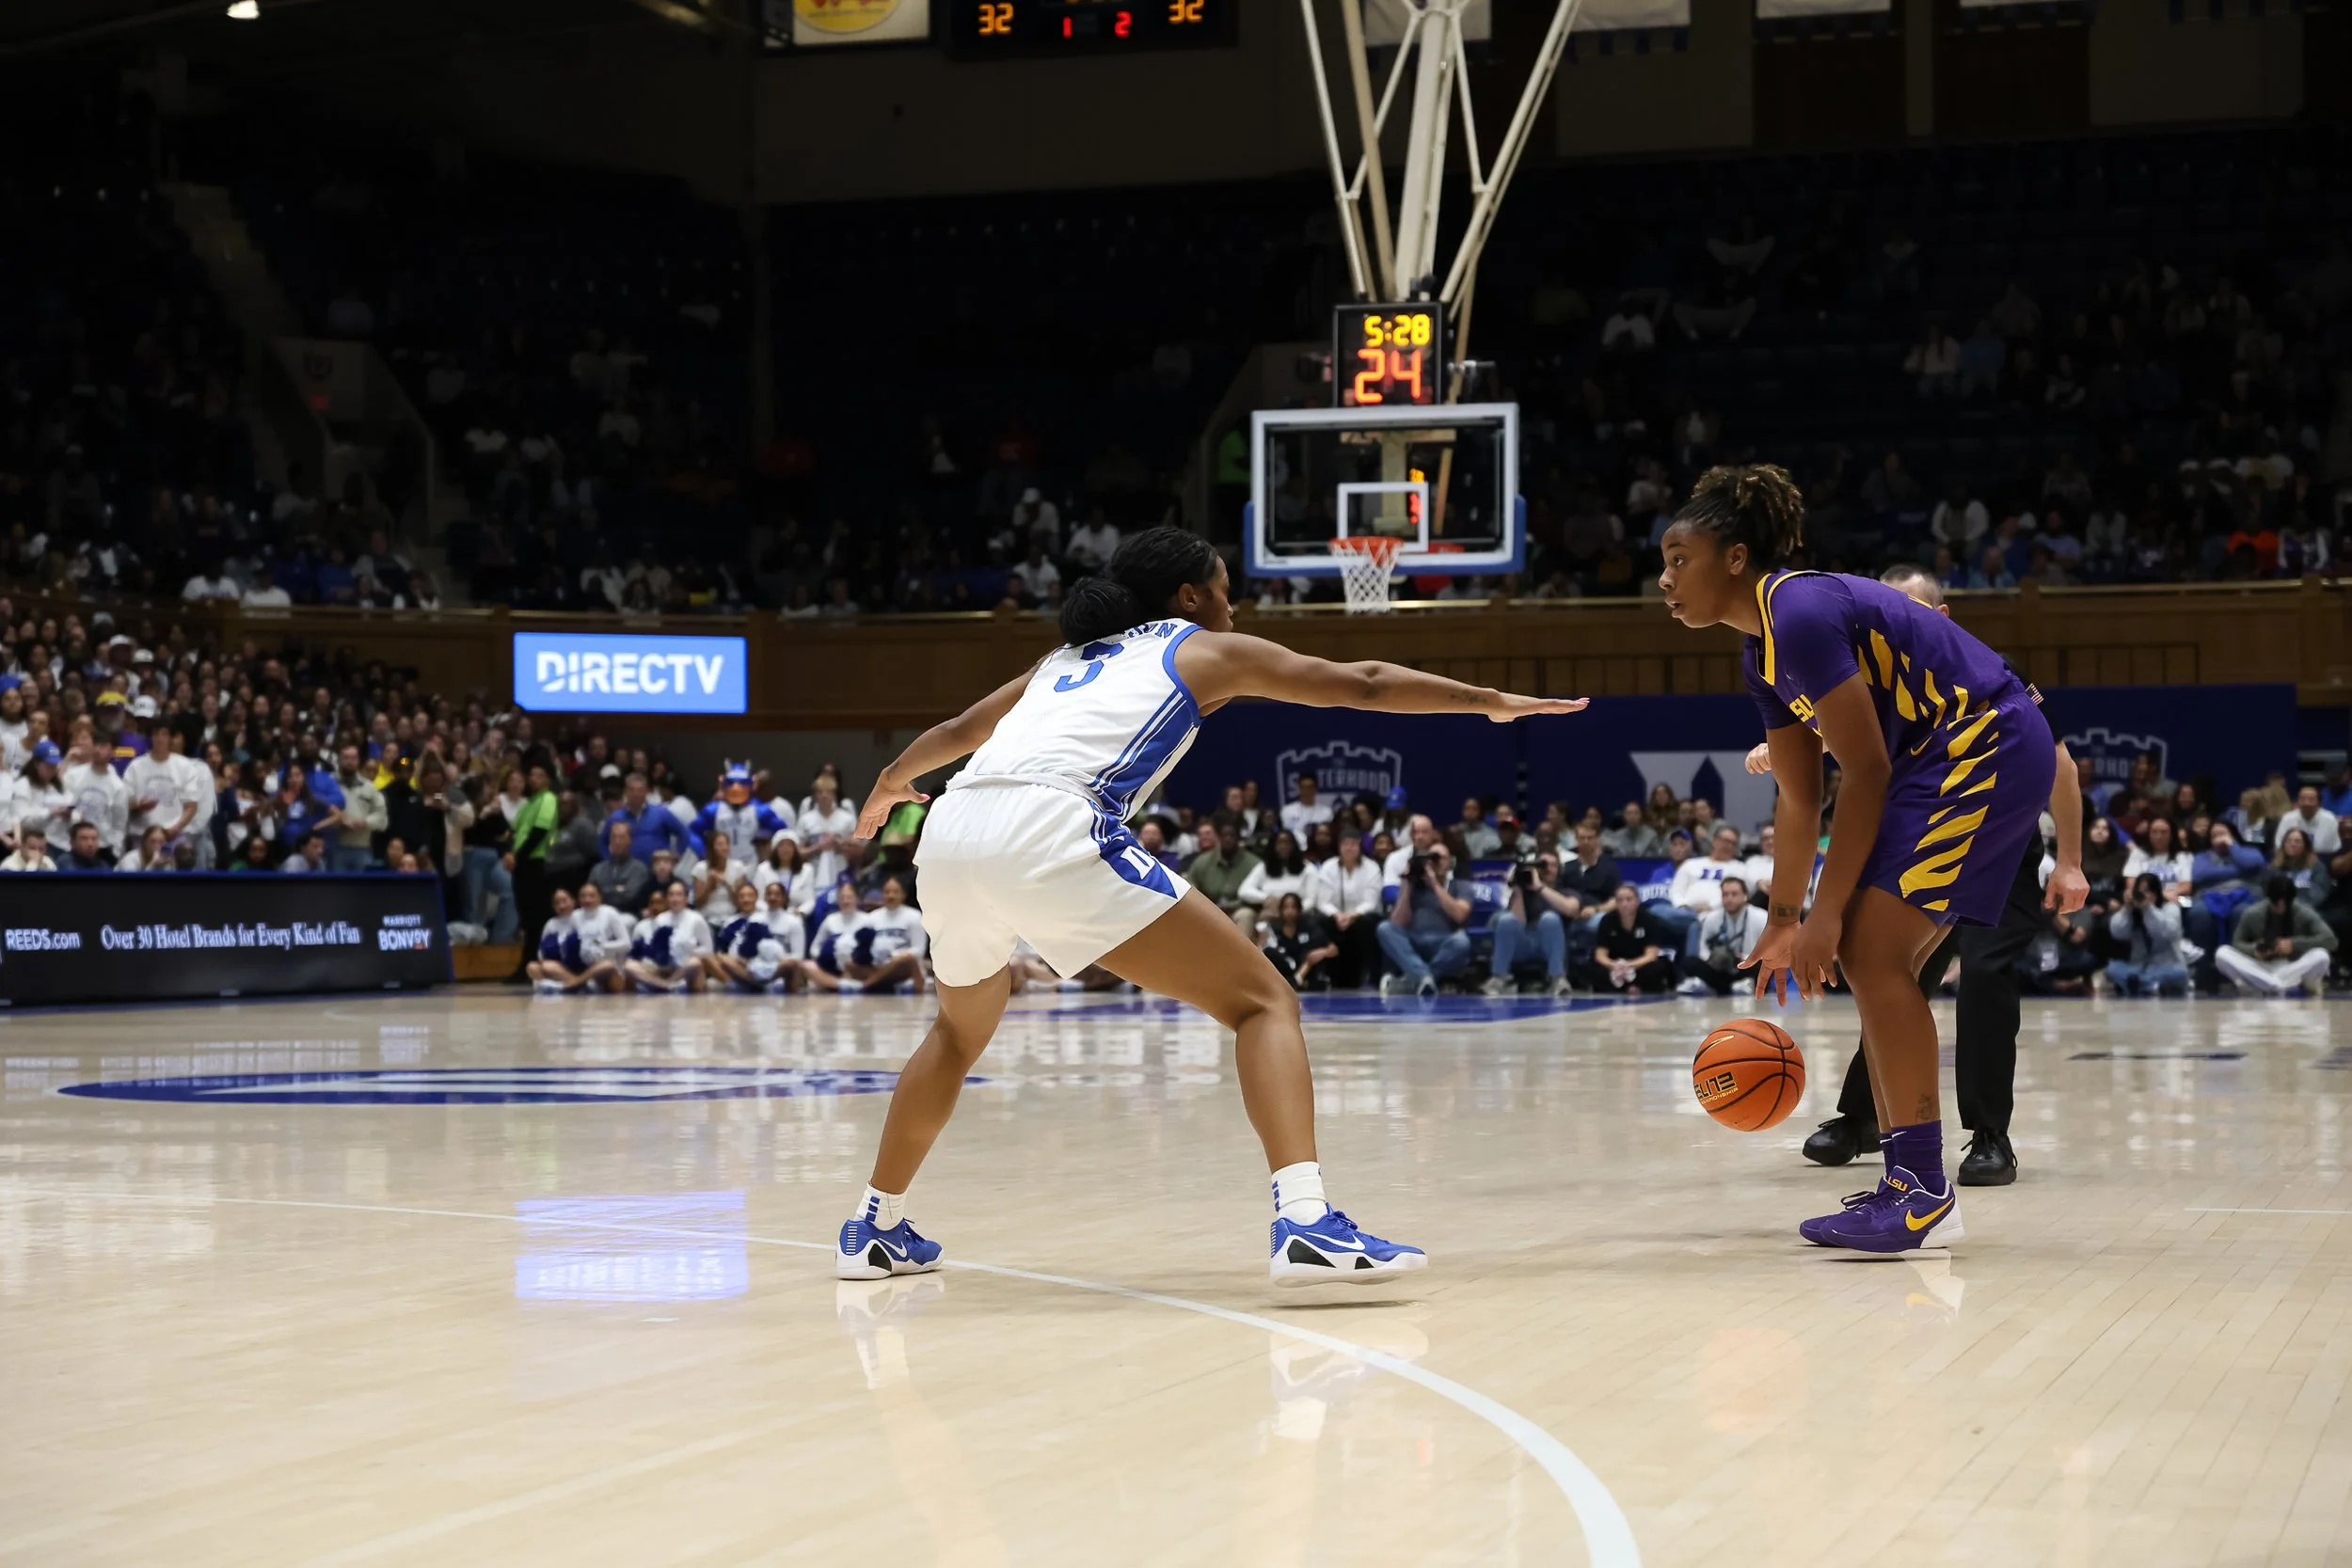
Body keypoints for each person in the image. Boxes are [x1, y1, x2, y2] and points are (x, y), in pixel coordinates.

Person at [834, 525, 1582, 1286]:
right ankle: (1305, 1219)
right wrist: (1487, 702)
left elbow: (961, 734)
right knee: (1264, 1002)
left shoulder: (1059, 660)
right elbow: (1359, 682)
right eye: (1226, 586)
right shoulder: (1198, 646)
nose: (1235, 601)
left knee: (957, 1035)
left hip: (953, 830)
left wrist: (891, 781)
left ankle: (874, 1225)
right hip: (1051, 823)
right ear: (1190, 595)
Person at [1660, 465, 2060, 1252]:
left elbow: (1866, 771)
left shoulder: (1800, 609)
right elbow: (1801, 798)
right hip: (1938, 757)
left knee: (1869, 947)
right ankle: (1909, 1182)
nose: (1665, 579)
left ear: (1734, 557)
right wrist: (1784, 920)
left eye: (1679, 558)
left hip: (1980, 741)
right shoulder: (1760, 652)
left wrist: (1827, 911)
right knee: (1868, 954)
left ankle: (1919, 1189)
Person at [1769, 562, 2085, 1187]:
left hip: (1998, 836)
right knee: (1883, 969)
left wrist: (2070, 859)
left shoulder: (1986, 673)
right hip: (1923, 835)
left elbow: (2061, 768)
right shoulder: (1865, 670)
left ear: (1937, 618)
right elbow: (1856, 740)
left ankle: (1989, 1134)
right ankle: (1867, 1120)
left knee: (1984, 974)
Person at [1376, 842, 1475, 998]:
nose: (1435, 863)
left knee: (1462, 942)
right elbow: (1398, 921)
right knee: (1385, 928)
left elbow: (1460, 915)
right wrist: (1407, 884)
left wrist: (1434, 884)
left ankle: (1413, 981)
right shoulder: (1416, 885)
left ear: (1450, 862)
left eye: (1439, 858)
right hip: (1415, 940)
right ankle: (1423, 977)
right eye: (1431, 858)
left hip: (1444, 942)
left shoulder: (1461, 886)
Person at [2217, 875, 2336, 997]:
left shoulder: (2304, 912)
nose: (2281, 908)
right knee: (2222, 953)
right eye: (2276, 903)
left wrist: (2294, 944)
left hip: (2292, 966)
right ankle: (2278, 986)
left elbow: (2330, 940)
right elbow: (2237, 943)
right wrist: (2254, 949)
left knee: (2322, 956)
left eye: (2286, 904)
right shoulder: (2252, 914)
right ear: (2268, 898)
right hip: (2259, 966)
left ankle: (2264, 986)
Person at [1486, 861, 1572, 997]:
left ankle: (1557, 979)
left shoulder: (1565, 890)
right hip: (1523, 943)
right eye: (1541, 866)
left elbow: (1571, 909)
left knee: (1549, 918)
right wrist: (1517, 889)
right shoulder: (1524, 894)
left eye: (1551, 865)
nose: (1547, 869)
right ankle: (1499, 978)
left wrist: (1540, 888)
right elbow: (1517, 922)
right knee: (1505, 920)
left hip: (1548, 945)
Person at [1678, 875, 1767, 995]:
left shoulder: (1761, 917)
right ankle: (1729, 986)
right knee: (1690, 962)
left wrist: (1742, 957)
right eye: (1725, 895)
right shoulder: (1711, 918)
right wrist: (1712, 960)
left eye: (1734, 894)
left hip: (1747, 965)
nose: (1729, 899)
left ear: (1745, 896)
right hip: (1720, 967)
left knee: (1764, 965)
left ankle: (1724, 985)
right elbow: (1703, 948)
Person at [2106, 873, 2190, 996]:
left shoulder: (2170, 908)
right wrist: (2126, 909)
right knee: (2112, 968)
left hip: (2166, 966)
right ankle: (2149, 986)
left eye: (2146, 891)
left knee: (2179, 973)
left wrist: (2148, 909)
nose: (2143, 896)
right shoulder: (2133, 912)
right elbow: (2117, 932)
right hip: (2139, 967)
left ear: (2156, 893)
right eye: (2139, 892)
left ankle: (2140, 986)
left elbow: (2165, 933)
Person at [1579, 883, 1672, 993]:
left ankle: (1631, 986)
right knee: (1588, 967)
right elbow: (1600, 955)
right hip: (1614, 965)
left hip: (1639, 965)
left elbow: (1651, 955)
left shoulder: (1649, 920)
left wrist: (1630, 965)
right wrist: (1613, 965)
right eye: (1620, 900)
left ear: (1637, 901)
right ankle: (1628, 987)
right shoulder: (1607, 921)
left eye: (1629, 899)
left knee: (1659, 967)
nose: (1624, 904)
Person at [624, 880, 714, 993]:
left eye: (679, 895)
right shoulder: (660, 919)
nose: (674, 899)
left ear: (686, 899)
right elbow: (654, 947)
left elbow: (708, 948)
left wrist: (688, 953)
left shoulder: (696, 919)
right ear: (667, 899)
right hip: (661, 968)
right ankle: (662, 985)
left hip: (683, 968)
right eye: (671, 895)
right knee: (629, 966)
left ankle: (671, 983)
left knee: (695, 963)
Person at [1262, 892, 1338, 991]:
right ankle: (1294, 981)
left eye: (1293, 907)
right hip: (1284, 970)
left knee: (1312, 948)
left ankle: (1297, 981)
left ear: (1299, 909)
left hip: (1306, 968)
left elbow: (1334, 949)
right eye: (1286, 907)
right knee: (1268, 951)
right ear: (1280, 910)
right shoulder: (1274, 928)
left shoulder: (1309, 926)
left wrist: (1323, 952)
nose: (1289, 911)